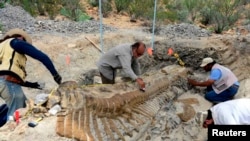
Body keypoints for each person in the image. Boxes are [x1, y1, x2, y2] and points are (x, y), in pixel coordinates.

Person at [0, 28, 62, 118]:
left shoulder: (2, 47)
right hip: (7, 83)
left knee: (24, 107)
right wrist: (55, 74)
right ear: (21, 37)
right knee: (17, 115)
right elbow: (42, 57)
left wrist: (33, 85)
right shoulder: (18, 42)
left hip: (5, 83)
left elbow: (8, 73)